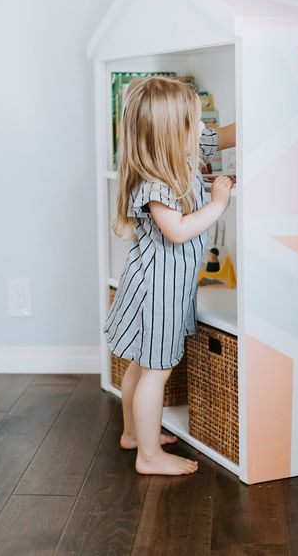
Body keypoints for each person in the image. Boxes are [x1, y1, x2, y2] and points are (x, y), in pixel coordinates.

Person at [104, 76, 235, 476]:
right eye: (197, 123)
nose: (204, 131)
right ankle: (149, 456)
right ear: (173, 133)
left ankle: (133, 434)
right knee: (155, 373)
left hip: (153, 286)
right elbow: (176, 230)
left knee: (139, 368)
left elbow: (225, 135)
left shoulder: (183, 149)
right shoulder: (156, 184)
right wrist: (218, 203)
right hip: (156, 293)